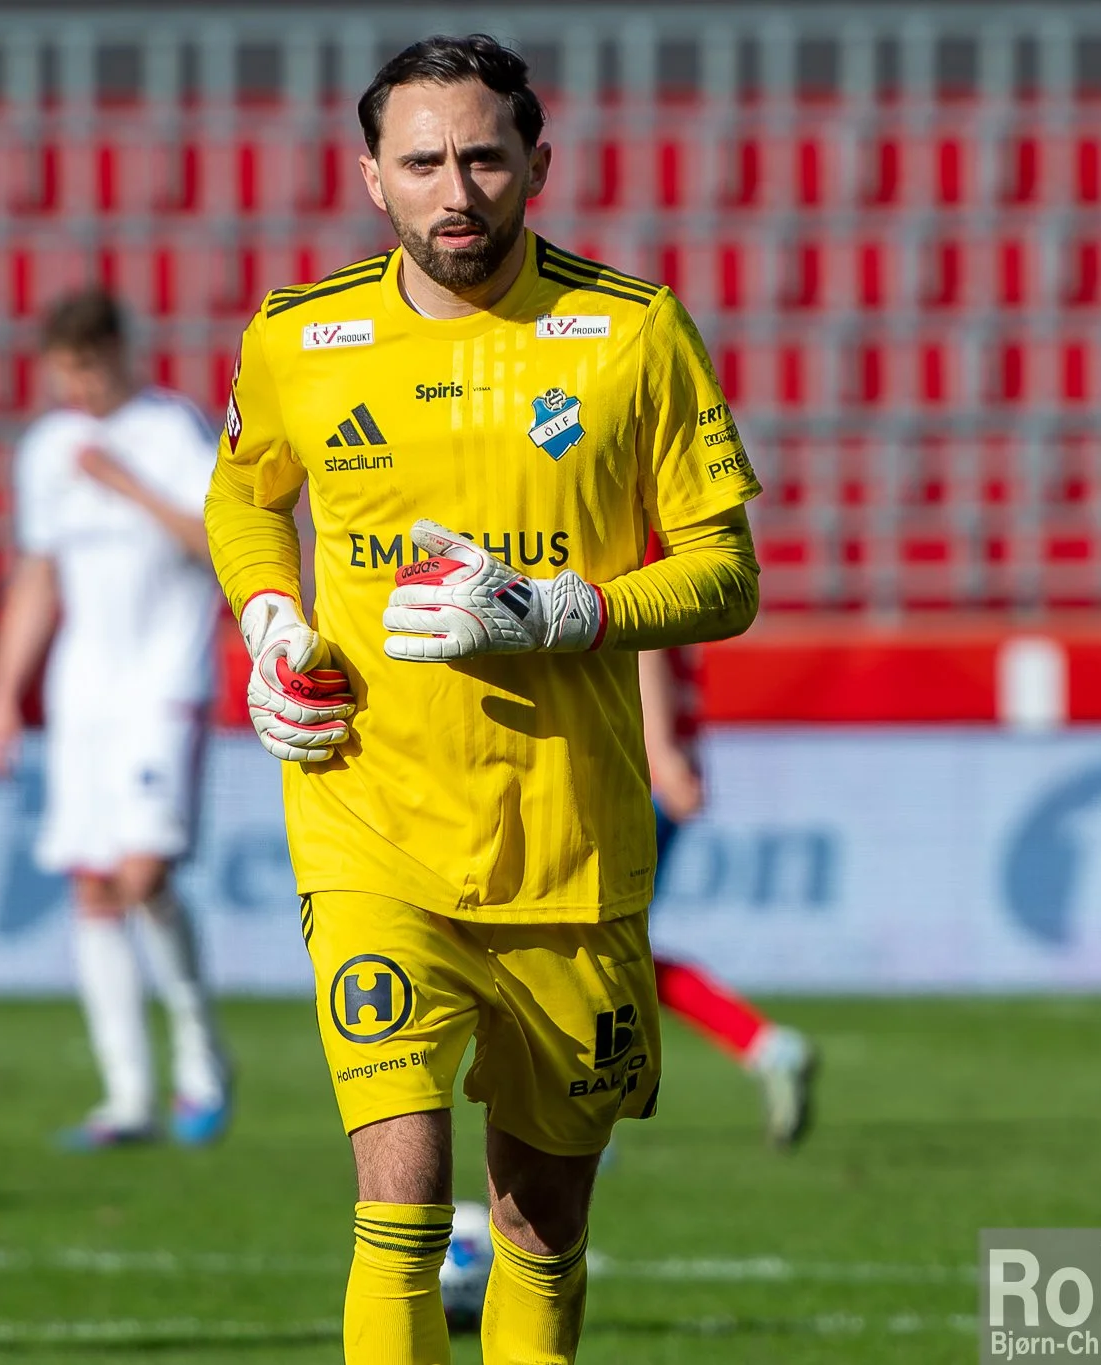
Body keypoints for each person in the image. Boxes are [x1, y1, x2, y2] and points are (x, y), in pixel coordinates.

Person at [205, 34, 762, 1365]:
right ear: (371, 178)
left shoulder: (632, 333)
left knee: (536, 1220)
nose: (454, 190)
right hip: (369, 826)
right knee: (397, 1209)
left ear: (535, 165)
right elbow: (244, 494)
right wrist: (268, 617)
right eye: (421, 163)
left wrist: (570, 611)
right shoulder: (299, 337)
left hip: (569, 849)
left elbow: (726, 572)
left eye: (482, 158)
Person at [0, 288, 233, 1150]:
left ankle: (202, 1060)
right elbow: (38, 575)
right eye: (64, 372)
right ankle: (126, 1098)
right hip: (82, 692)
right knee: (91, 884)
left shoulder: (172, 432)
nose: (77, 388)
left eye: (87, 368)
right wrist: (1, 692)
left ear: (122, 354)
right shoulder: (48, 448)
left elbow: (217, 544)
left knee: (143, 871)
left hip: (163, 681)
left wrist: (126, 485)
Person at [640, 645, 818, 1150]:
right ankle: (765, 1045)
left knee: (592, 952)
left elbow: (644, 646)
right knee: (613, 953)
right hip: (657, 768)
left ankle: (581, 1119)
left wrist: (662, 756)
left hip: (636, 775)